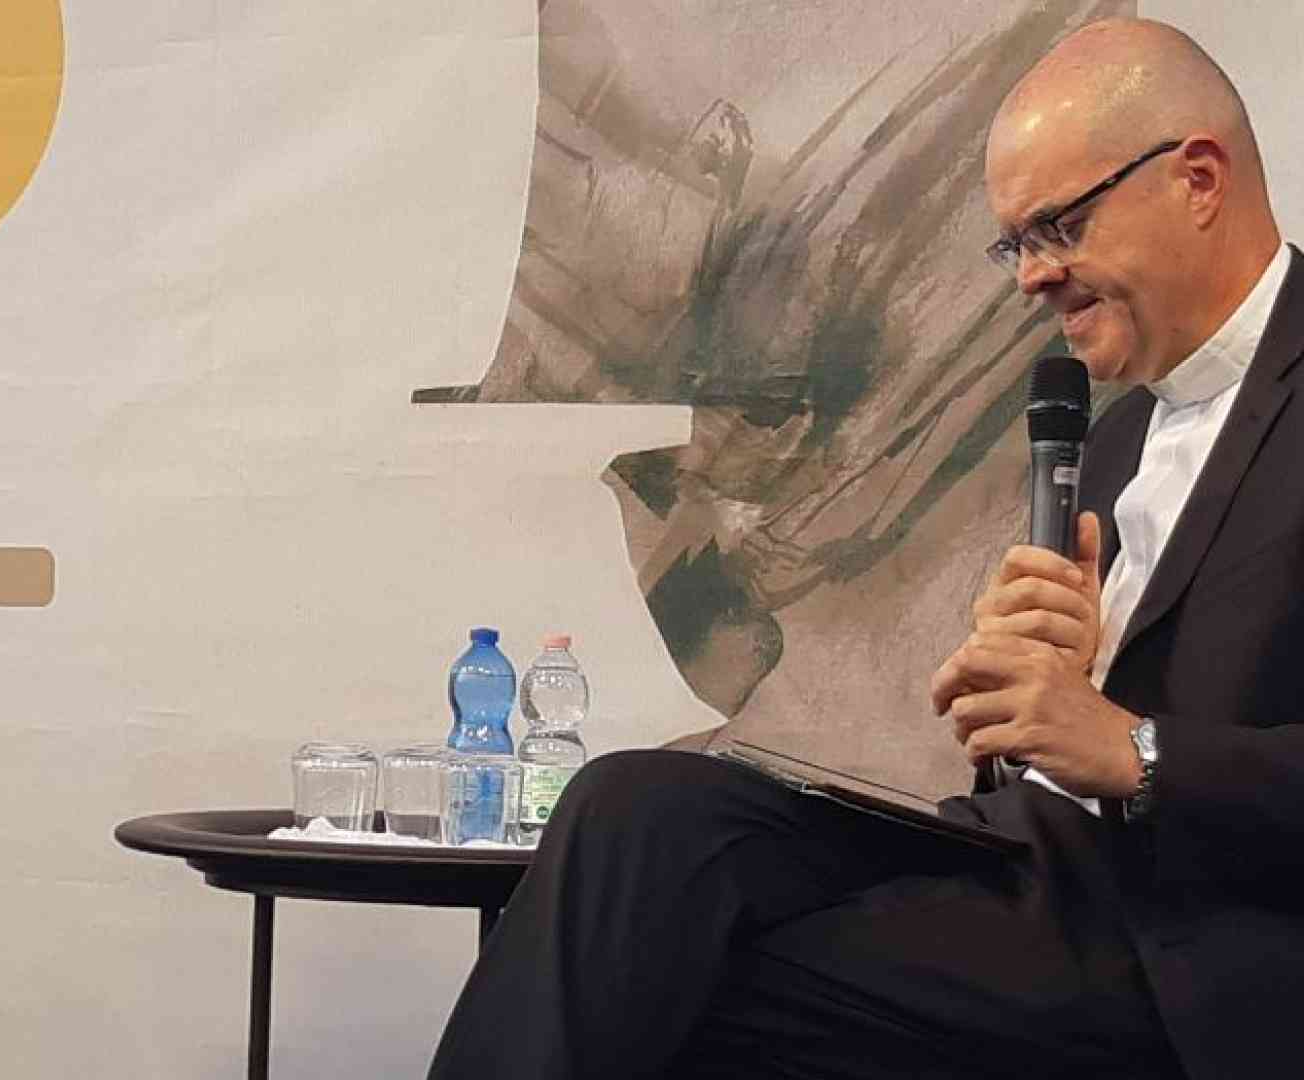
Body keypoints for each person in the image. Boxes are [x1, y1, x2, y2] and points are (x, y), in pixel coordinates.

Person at [432, 17, 1302, 1079]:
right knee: (633, 812)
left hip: (1198, 949)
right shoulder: (1115, 439)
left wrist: (1138, 751)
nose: (1030, 278)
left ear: (1198, 179)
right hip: (1022, 872)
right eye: (1014, 245)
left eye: (1056, 228)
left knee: (656, 973)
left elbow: (1124, 755)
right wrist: (1030, 699)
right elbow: (1054, 760)